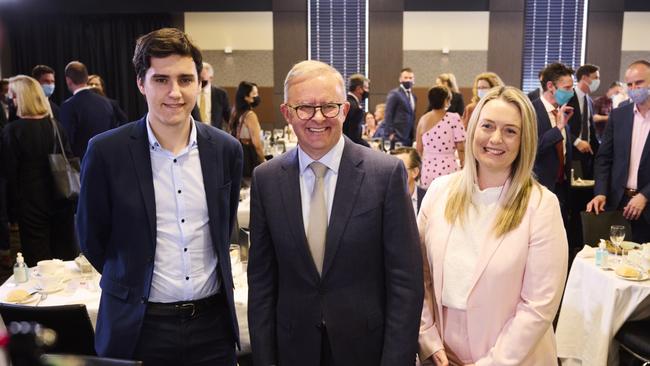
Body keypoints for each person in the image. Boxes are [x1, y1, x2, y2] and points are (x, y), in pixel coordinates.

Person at [76, 28, 243, 364]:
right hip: (139, 327)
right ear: (141, 83)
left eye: (185, 79)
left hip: (212, 327)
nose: (175, 92)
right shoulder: (106, 152)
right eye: (161, 79)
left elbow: (225, 227)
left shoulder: (226, 150)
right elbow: (91, 237)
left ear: (199, 82)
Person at [248, 60, 423, 366]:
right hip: (292, 350)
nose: (318, 118)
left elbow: (405, 283)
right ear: (287, 113)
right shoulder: (266, 179)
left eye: (329, 106)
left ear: (344, 110)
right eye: (304, 107)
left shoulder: (384, 175)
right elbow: (262, 284)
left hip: (367, 350)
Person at [418, 86, 568, 365]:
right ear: (473, 129)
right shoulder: (439, 192)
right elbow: (419, 276)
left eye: (510, 131)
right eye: (487, 126)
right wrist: (428, 339)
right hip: (441, 355)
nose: (496, 139)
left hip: (514, 357)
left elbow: (538, 306)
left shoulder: (541, 206)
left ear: (525, 140)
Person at [1, 75, 77, 266]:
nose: (10, 100)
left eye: (12, 96)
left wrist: (11, 212)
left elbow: (9, 174)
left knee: (38, 262)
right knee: (65, 258)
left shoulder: (13, 131)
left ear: (22, 98)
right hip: (62, 197)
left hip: (30, 204)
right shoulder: (56, 126)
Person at [586, 60, 650, 243]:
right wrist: (600, 192)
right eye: (629, 84)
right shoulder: (620, 114)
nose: (633, 88)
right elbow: (604, 158)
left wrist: (645, 195)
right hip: (618, 203)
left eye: (639, 83)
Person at [531, 62, 574, 213]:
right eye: (567, 88)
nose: (571, 92)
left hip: (562, 186)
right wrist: (558, 128)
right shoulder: (531, 110)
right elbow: (532, 149)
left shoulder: (561, 112)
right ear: (550, 86)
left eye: (572, 87)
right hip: (538, 186)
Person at [60, 61, 117, 161]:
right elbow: (113, 131)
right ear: (86, 78)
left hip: (82, 164)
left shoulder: (68, 106)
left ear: (68, 80)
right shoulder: (105, 102)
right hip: (107, 160)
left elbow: (67, 141)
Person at [416, 85, 465, 189]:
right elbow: (461, 147)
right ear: (446, 100)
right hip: (448, 168)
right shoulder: (454, 118)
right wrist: (463, 163)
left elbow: (419, 149)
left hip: (428, 168)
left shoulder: (423, 119)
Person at [567, 64, 600, 179]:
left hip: (588, 152)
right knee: (576, 187)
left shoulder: (589, 100)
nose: (598, 81)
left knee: (586, 189)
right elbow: (559, 125)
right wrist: (576, 141)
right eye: (595, 77)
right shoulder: (568, 97)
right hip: (573, 151)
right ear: (585, 78)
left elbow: (590, 127)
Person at [230, 81, 265, 180]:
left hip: (237, 154)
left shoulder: (235, 111)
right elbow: (257, 144)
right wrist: (263, 161)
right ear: (246, 97)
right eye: (254, 94)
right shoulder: (250, 115)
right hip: (249, 156)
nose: (257, 96)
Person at [383, 67, 417, 147]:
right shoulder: (395, 94)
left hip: (409, 137)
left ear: (413, 80)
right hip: (397, 136)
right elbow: (388, 113)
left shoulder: (413, 97)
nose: (408, 80)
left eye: (410, 78)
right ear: (400, 79)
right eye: (405, 78)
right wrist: (390, 133)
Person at [391, 146, 426, 216]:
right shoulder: (383, 199)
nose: (393, 173)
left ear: (415, 172)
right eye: (391, 168)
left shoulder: (426, 198)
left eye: (399, 168)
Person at [195, 62, 231, 129]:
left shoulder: (220, 94)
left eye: (202, 79)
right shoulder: (192, 92)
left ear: (211, 78)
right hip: (195, 131)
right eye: (198, 78)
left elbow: (228, 116)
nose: (200, 81)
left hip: (214, 132)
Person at [342, 73, 370, 147]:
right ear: (359, 89)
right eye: (366, 88)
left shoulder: (343, 102)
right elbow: (355, 138)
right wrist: (370, 148)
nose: (368, 91)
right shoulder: (356, 109)